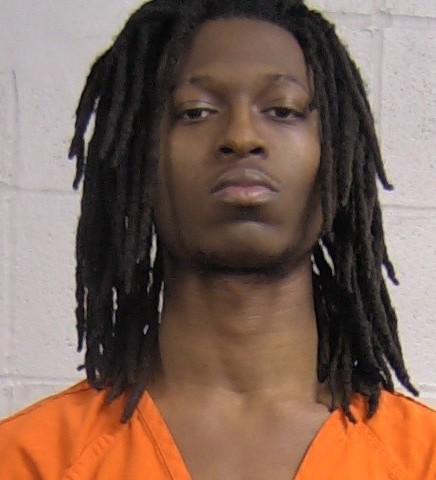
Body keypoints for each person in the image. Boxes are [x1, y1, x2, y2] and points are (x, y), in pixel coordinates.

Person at [0, 0, 435, 478]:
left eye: (283, 110)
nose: (242, 136)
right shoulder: (30, 460)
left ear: (337, 155)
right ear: (136, 157)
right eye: (196, 112)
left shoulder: (421, 461)